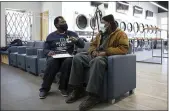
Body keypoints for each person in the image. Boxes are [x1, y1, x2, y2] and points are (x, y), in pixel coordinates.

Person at [66, 14, 129, 111]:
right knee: (77, 58)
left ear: (110, 23)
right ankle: (77, 89)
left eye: (104, 23)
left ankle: (93, 96)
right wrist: (92, 51)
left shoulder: (121, 34)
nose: (102, 25)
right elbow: (92, 44)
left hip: (107, 58)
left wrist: (105, 52)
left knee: (97, 61)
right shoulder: (100, 34)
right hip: (96, 55)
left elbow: (124, 49)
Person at [39, 16, 85, 99]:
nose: (65, 24)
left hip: (67, 56)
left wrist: (77, 40)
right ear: (57, 25)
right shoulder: (51, 36)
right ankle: (44, 89)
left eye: (65, 22)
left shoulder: (72, 34)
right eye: (62, 22)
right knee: (52, 62)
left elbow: (82, 45)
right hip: (55, 56)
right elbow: (45, 49)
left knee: (68, 61)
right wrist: (49, 52)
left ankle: (63, 87)